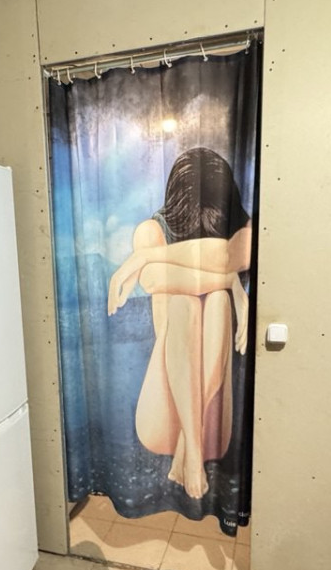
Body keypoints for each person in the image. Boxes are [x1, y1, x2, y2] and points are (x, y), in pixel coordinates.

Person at [107, 148, 253, 499]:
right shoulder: (152, 230)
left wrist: (145, 257)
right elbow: (155, 280)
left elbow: (226, 255)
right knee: (186, 303)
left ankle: (191, 448)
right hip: (164, 405)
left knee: (216, 302)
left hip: (212, 414)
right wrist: (228, 281)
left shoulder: (243, 230)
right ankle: (191, 450)